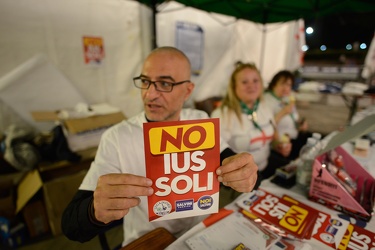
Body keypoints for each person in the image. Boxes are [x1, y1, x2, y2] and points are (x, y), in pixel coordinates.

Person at [61, 47, 259, 247]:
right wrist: (94, 211)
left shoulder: (199, 122)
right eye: (145, 81)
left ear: (188, 91)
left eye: (165, 83)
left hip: (201, 235)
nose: (150, 94)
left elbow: (226, 161)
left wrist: (243, 172)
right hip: (150, 241)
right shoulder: (117, 138)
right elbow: (71, 226)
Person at [211, 62, 291, 181]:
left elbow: (270, 138)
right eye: (244, 82)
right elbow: (215, 155)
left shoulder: (264, 107)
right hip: (240, 179)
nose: (251, 85)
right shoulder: (222, 115)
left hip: (265, 168)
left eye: (255, 80)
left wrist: (277, 146)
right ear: (234, 87)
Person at [263, 70, 310, 160]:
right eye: (282, 84)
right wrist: (283, 112)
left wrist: (300, 124)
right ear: (274, 84)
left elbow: (295, 118)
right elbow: (267, 126)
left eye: (288, 85)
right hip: (279, 144)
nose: (286, 88)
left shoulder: (287, 98)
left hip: (294, 138)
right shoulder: (266, 100)